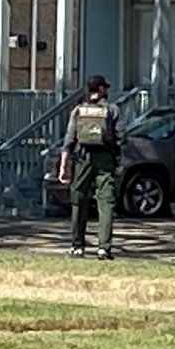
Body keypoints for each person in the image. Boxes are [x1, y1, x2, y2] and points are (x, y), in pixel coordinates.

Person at [59, 75, 126, 259]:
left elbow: (69, 140)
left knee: (78, 200)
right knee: (105, 203)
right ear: (102, 90)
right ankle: (104, 247)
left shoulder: (79, 111)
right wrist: (117, 158)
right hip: (105, 158)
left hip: (83, 159)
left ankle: (77, 245)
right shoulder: (113, 110)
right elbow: (121, 137)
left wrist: (64, 165)